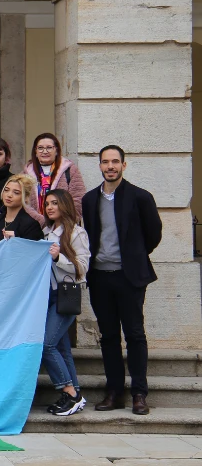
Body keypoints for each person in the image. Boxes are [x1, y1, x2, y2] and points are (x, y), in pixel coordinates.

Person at [81, 145, 162, 416]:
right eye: (106, 162)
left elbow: (153, 235)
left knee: (135, 335)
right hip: (100, 277)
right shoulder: (90, 199)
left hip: (129, 278)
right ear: (100, 166)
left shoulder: (140, 197)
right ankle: (114, 392)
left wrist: (133, 256)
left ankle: (139, 393)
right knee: (109, 337)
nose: (111, 166)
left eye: (115, 161)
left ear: (124, 165)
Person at [42, 188, 91, 417]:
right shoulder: (45, 232)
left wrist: (58, 257)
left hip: (66, 294)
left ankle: (71, 393)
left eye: (54, 203)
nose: (50, 207)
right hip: (47, 296)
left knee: (46, 345)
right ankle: (74, 395)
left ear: (64, 205)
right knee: (62, 348)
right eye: (47, 204)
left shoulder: (76, 233)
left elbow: (82, 268)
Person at [24, 132, 87, 226]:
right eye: (40, 148)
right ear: (35, 152)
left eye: (49, 147)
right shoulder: (25, 174)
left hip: (63, 227)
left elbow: (78, 199)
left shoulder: (70, 170)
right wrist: (40, 222)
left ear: (56, 150)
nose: (45, 151)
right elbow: (22, 203)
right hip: (33, 228)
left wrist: (60, 223)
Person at [0, 174, 42, 242]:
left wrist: (16, 239)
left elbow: (33, 250)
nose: (9, 195)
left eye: (16, 193)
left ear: (26, 197)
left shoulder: (31, 225)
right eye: (6, 190)